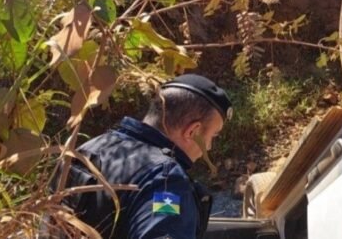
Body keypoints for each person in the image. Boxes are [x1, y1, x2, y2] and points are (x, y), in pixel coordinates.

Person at [58, 74, 232, 239]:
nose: (208, 147)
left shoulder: (91, 147)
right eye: (213, 136)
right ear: (192, 131)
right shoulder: (165, 180)